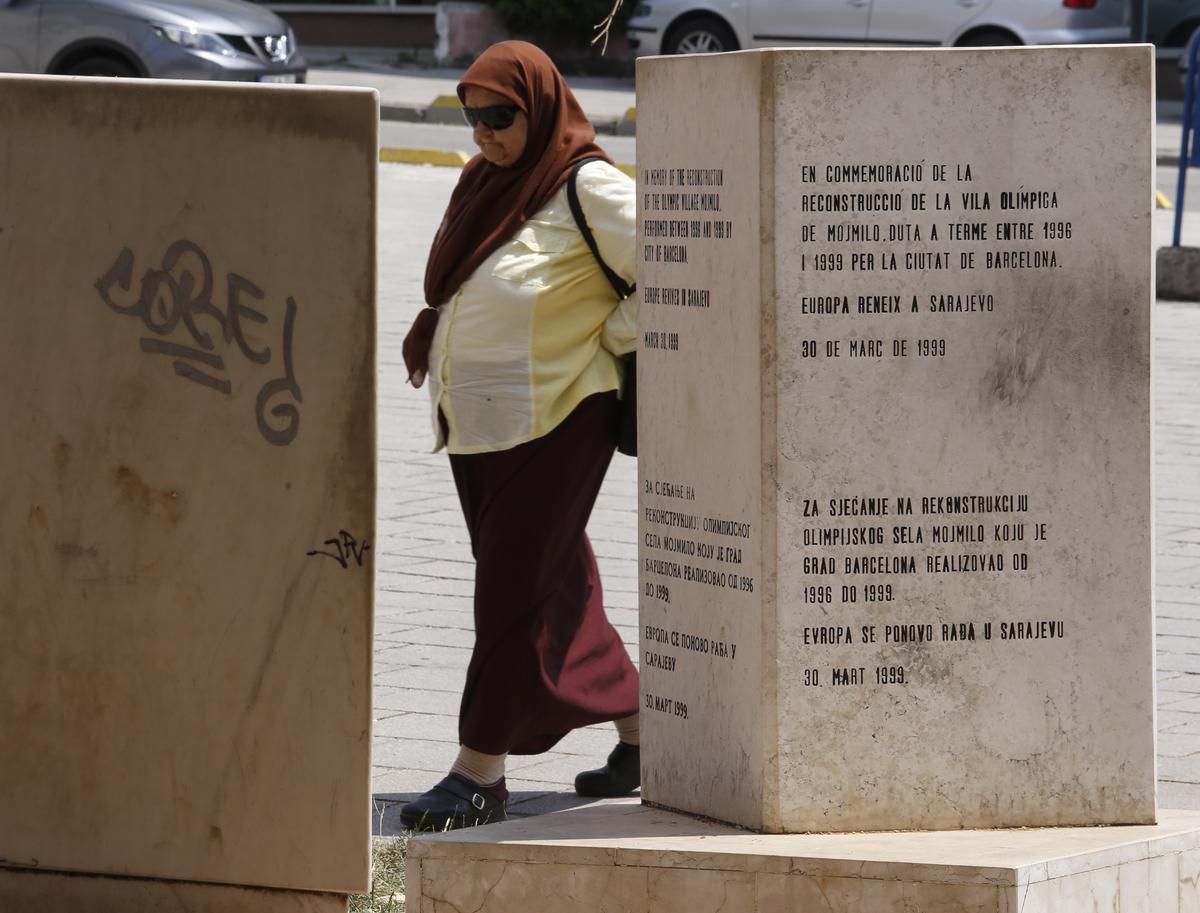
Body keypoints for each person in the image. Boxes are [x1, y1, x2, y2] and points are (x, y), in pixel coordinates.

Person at [399, 41, 640, 831]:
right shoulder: (486, 181)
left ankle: (479, 774)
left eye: (500, 116)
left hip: (558, 416)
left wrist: (613, 334)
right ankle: (648, 737)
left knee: (509, 595)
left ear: (539, 108)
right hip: (481, 426)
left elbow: (682, 265)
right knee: (554, 584)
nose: (483, 133)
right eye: (472, 118)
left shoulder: (588, 184)